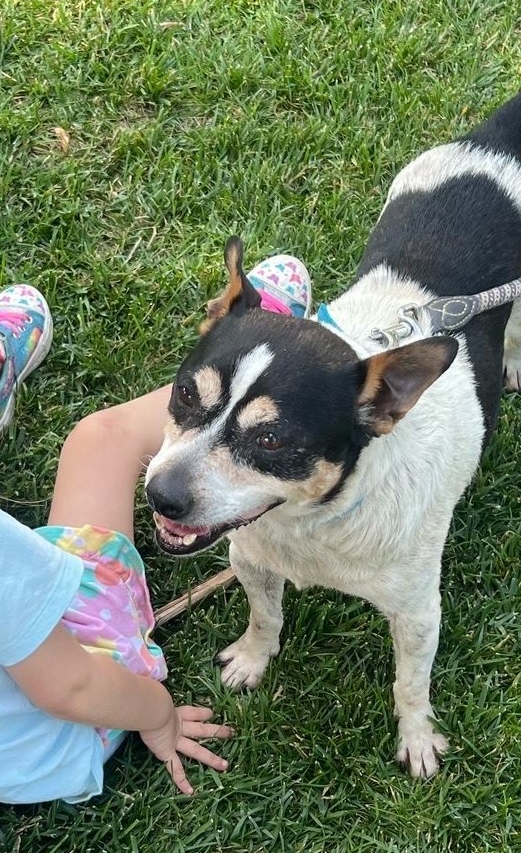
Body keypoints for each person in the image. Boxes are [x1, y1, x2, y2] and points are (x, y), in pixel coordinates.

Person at [0, 255, 312, 805]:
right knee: (101, 439)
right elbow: (68, 685)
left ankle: (250, 354)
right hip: (73, 715)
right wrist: (157, 714)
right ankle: (260, 353)